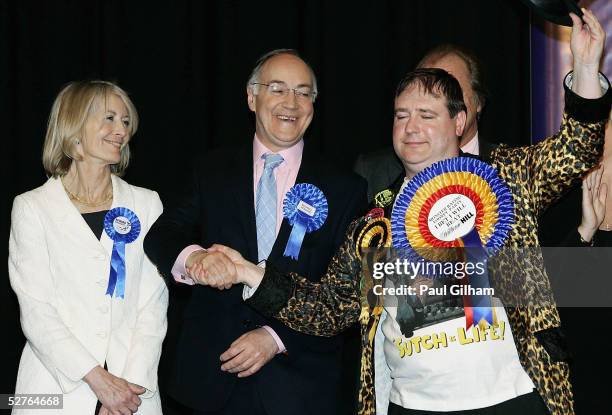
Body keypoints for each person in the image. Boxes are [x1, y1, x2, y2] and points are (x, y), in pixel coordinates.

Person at [201, 9, 610, 415]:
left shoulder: (505, 176)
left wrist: (587, 68)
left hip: (510, 399)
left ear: (460, 121)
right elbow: (328, 308)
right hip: (410, 405)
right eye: (401, 115)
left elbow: (575, 149)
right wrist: (247, 272)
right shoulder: (373, 227)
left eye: (427, 115)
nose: (411, 127)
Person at [143, 49, 366, 415]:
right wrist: (195, 258)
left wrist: (276, 338)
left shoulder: (346, 188)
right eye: (277, 89)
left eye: (303, 92)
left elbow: (345, 295)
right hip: (210, 384)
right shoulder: (209, 169)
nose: (291, 103)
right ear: (252, 97)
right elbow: (162, 234)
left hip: (301, 388)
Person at [9, 81, 168, 414]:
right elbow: (36, 311)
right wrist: (97, 380)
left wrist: (127, 388)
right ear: (74, 126)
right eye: (109, 118)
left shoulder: (147, 203)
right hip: (51, 393)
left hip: (132, 393)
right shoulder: (32, 207)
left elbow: (152, 305)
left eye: (125, 121)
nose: (120, 130)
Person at [354, 44, 498, 202]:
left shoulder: (507, 170)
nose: (411, 128)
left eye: (451, 89)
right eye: (402, 116)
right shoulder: (372, 173)